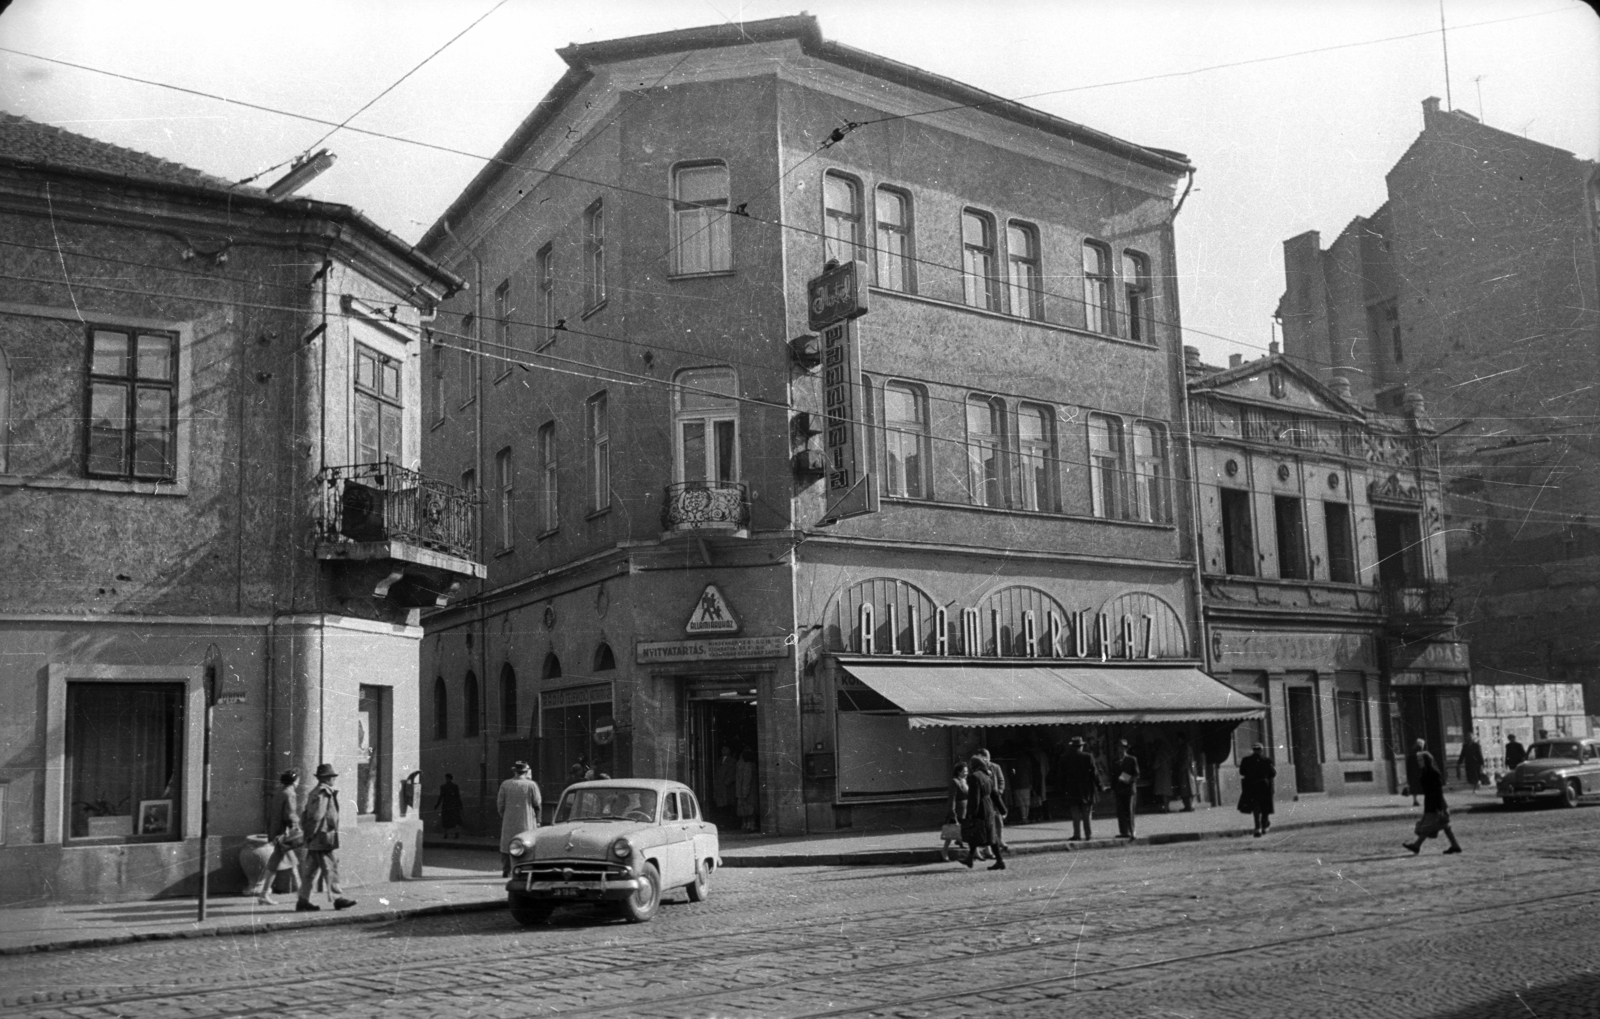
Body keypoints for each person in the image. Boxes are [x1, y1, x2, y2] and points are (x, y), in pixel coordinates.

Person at [296, 763, 355, 912]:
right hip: (322, 837)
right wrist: (311, 833)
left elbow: (305, 814)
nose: (333, 780)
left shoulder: (315, 792)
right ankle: (337, 898)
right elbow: (317, 816)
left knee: (310, 871)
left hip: (315, 837)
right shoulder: (324, 793)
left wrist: (308, 834)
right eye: (331, 777)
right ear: (326, 779)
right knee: (330, 867)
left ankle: (303, 900)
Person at [1403, 750, 1462, 856]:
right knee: (1445, 826)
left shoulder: (1433, 773)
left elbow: (1438, 791)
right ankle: (1455, 845)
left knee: (1427, 826)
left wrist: (1440, 807)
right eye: (1418, 760)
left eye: (1421, 760)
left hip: (1436, 804)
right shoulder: (1425, 772)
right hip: (1432, 803)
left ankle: (1416, 845)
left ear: (1427, 760)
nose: (1419, 762)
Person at [257, 769, 301, 905]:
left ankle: (302, 893)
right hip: (284, 834)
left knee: (290, 863)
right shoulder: (290, 794)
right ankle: (302, 895)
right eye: (298, 779)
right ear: (294, 781)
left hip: (276, 833)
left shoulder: (279, 793)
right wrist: (296, 826)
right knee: (277, 864)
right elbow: (290, 814)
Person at [961, 755, 1008, 871]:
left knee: (980, 833)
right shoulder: (987, 776)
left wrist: (971, 813)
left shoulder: (974, 777)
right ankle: (970, 858)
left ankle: (999, 861)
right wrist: (1003, 809)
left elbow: (974, 797)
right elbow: (995, 794)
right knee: (986, 835)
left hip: (980, 810)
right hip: (989, 808)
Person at [497, 761, 542, 878]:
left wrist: (504, 815)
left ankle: (506, 869)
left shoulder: (505, 784)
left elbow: (500, 804)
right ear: (526, 772)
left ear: (515, 771)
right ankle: (524, 868)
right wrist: (538, 820)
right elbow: (537, 803)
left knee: (507, 843)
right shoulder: (531, 785)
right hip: (526, 821)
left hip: (509, 820)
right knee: (526, 843)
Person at [1061, 737, 1099, 841]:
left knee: (1075, 814)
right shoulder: (1088, 757)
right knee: (1087, 814)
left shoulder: (1065, 757)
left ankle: (1077, 834)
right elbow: (1094, 774)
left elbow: (1062, 775)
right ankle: (1088, 834)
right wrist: (1099, 785)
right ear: (1081, 746)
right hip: (1086, 790)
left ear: (1072, 746)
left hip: (1072, 789)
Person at [1237, 743, 1277, 837]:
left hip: (1251, 787)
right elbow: (1273, 773)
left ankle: (1257, 828)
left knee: (1256, 808)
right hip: (1264, 787)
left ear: (1253, 750)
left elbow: (1242, 772)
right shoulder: (1267, 761)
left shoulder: (1246, 760)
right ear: (1261, 750)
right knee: (1265, 808)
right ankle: (1264, 826)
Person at [977, 748, 1009, 851]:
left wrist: (999, 791)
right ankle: (988, 845)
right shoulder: (977, 769)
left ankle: (1000, 840)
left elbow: (1001, 780)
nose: (983, 760)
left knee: (998, 820)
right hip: (984, 799)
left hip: (995, 798)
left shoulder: (995, 767)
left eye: (984, 757)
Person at [1112, 739, 1140, 838]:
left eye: (1122, 748)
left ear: (1126, 749)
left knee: (1129, 811)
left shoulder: (1132, 759)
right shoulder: (1115, 760)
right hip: (1119, 789)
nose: (1120, 750)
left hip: (1129, 789)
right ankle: (1124, 832)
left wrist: (1128, 780)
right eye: (1118, 747)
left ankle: (1132, 831)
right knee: (1120, 811)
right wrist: (1113, 788)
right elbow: (1113, 775)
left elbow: (1136, 774)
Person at [942, 761, 969, 861]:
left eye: (967, 771)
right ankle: (944, 851)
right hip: (957, 810)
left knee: (962, 828)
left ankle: (960, 842)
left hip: (964, 810)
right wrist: (952, 813)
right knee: (950, 833)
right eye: (964, 771)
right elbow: (952, 798)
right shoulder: (955, 781)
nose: (966, 773)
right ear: (958, 772)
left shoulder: (964, 781)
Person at [713, 745, 738, 826]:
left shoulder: (733, 761)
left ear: (729, 750)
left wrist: (726, 783)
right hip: (720, 787)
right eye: (722, 748)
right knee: (721, 807)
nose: (723, 750)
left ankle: (729, 824)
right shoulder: (719, 760)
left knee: (728, 806)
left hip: (727, 788)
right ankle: (722, 824)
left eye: (726, 748)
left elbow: (733, 774)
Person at [433, 773, 463, 839]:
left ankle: (446, 834)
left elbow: (441, 797)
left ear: (447, 778)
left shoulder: (443, 787)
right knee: (455, 820)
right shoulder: (455, 786)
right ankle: (456, 833)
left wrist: (437, 805)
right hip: (453, 805)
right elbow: (458, 797)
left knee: (446, 820)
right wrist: (460, 806)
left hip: (446, 805)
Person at [735, 749, 758, 832]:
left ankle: (749, 825)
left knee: (747, 808)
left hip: (746, 791)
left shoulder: (747, 765)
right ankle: (749, 824)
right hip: (748, 791)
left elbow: (746, 780)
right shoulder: (750, 764)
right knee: (747, 808)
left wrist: (744, 793)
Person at [1012, 748, 1035, 825]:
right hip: (1027, 784)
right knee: (1026, 802)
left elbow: (1012, 773)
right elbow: (1030, 772)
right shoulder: (1027, 759)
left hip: (1018, 784)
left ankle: (1023, 818)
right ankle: (1026, 817)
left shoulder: (1014, 760)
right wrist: (1031, 783)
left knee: (1021, 802)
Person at [1176, 740, 1199, 812]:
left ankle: (1188, 806)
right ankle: (1188, 806)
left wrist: (1181, 769)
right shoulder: (1185, 748)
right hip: (1186, 772)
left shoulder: (1186, 748)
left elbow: (1186, 761)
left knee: (1187, 790)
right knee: (1186, 790)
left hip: (1186, 773)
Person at [1404, 738, 1425, 806]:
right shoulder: (1419, 753)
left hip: (1413, 772)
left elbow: (1408, 763)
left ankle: (1415, 800)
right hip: (1418, 772)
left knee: (1414, 787)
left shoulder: (1412, 752)